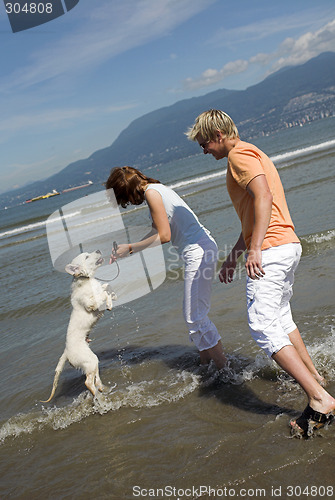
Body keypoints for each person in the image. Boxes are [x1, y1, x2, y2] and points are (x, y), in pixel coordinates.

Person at [186, 109, 335, 437]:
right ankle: (317, 380)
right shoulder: (249, 153)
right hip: (285, 244)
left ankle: (319, 397)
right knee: (281, 319)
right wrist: (235, 256)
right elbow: (252, 214)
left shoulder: (239, 156)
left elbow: (264, 196)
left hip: (271, 249)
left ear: (220, 136)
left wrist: (255, 250)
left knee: (262, 326)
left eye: (204, 143)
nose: (203, 149)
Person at [106, 166, 227, 370]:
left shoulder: (152, 193)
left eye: (124, 199)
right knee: (193, 316)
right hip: (202, 248)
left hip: (198, 252)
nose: (127, 204)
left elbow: (164, 236)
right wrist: (129, 250)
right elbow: (157, 229)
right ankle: (206, 365)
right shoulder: (157, 188)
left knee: (195, 317)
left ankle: (225, 369)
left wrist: (132, 248)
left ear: (127, 190)